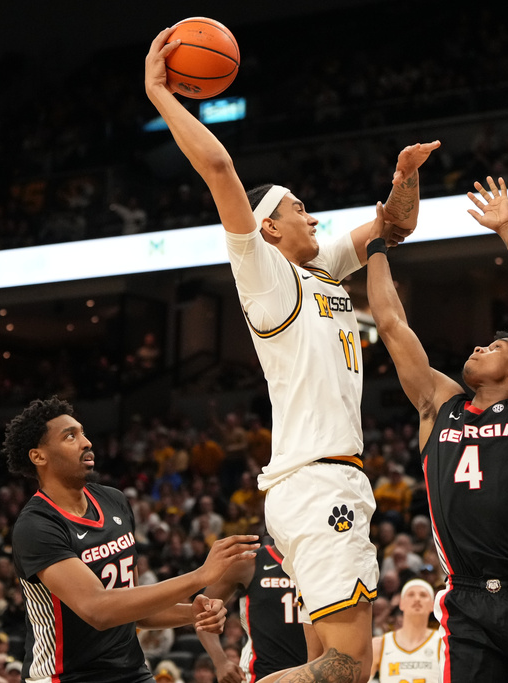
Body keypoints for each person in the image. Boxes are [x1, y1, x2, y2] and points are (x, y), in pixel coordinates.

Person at [146, 25, 440, 683]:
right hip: (317, 481)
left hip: (316, 481)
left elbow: (395, 226)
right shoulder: (268, 279)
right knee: (346, 667)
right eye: (300, 209)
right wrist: (161, 93)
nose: (314, 218)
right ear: (270, 227)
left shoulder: (323, 271)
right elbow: (220, 170)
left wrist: (403, 179)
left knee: (319, 660)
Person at [365, 175, 508, 682]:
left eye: (496, 346)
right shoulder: (438, 404)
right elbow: (392, 325)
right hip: (463, 599)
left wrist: (507, 229)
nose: (480, 347)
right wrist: (376, 243)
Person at [4, 397, 256, 682]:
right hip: (66, 676)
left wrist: (193, 614)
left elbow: (135, 609)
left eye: (83, 432)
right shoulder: (37, 526)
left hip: (131, 671)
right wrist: (200, 576)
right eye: (70, 436)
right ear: (38, 456)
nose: (86, 442)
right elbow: (98, 609)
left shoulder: (114, 501)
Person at [197, 544, 309, 682]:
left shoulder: (323, 564)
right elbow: (201, 613)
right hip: (259, 674)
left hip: (315, 672)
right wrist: (221, 662)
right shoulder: (248, 563)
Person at [370, 579, 442, 682]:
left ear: (432, 605)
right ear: (401, 604)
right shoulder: (379, 644)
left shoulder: (443, 643)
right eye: (411, 594)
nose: (417, 599)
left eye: (423, 595)